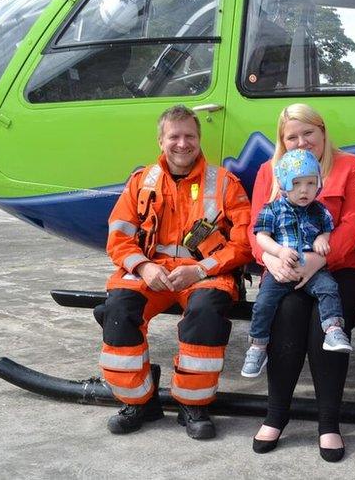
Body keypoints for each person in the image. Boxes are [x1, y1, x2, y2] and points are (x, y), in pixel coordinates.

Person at [98, 105, 253, 440]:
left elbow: (243, 245)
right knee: (118, 310)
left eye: (190, 136)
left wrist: (199, 270)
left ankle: (193, 404)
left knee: (205, 316)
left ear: (199, 139)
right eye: (175, 136)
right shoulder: (140, 183)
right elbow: (118, 238)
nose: (183, 143)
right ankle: (138, 402)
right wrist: (143, 265)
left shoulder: (226, 183)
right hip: (150, 273)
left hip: (206, 274)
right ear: (161, 140)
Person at [248, 103, 355, 462]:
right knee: (286, 316)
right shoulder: (268, 171)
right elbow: (254, 230)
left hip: (340, 267)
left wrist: (318, 261)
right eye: (291, 137)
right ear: (282, 141)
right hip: (285, 267)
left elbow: (352, 224)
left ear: (322, 131)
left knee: (325, 330)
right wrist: (270, 260)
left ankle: (329, 424)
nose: (301, 142)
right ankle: (276, 416)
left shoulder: (350, 167)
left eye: (308, 134)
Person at [242, 149, 352, 378]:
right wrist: (279, 251)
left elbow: (327, 230)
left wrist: (322, 240)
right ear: (283, 185)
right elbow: (261, 236)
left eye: (311, 183)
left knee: (329, 289)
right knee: (263, 303)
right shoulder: (272, 209)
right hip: (281, 270)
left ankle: (333, 329)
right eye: (297, 183)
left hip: (312, 269)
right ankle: (258, 345)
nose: (305, 190)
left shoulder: (319, 210)